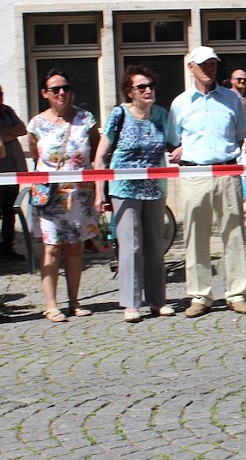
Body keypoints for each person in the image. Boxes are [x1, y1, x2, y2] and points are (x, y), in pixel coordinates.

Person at [166, 46, 246, 318]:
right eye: (203, 65)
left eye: (213, 64)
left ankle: (236, 293)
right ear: (191, 67)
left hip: (227, 171)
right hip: (195, 173)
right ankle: (200, 296)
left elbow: (241, 136)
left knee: (234, 235)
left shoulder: (232, 98)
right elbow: (172, 140)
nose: (209, 69)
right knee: (196, 236)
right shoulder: (180, 103)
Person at [93, 65, 172, 323]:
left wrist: (180, 150)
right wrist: (99, 192)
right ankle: (131, 302)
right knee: (130, 246)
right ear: (130, 92)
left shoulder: (161, 114)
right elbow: (101, 156)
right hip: (124, 188)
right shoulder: (119, 114)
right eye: (141, 87)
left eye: (150, 85)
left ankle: (158, 301)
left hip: (154, 188)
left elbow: (173, 143)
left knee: (154, 246)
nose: (148, 90)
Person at [27, 70, 100, 322]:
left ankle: (74, 302)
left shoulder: (86, 119)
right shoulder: (36, 124)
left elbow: (95, 151)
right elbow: (36, 158)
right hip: (50, 195)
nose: (61, 93)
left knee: (75, 247)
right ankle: (51, 304)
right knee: (51, 248)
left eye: (65, 88)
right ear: (44, 93)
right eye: (55, 89)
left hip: (79, 195)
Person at [0, 83, 27, 262]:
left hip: (13, 169)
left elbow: (22, 129)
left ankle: (8, 247)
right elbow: (15, 131)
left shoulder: (7, 111)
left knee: (10, 210)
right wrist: (11, 133)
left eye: (0, 93)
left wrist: (3, 134)